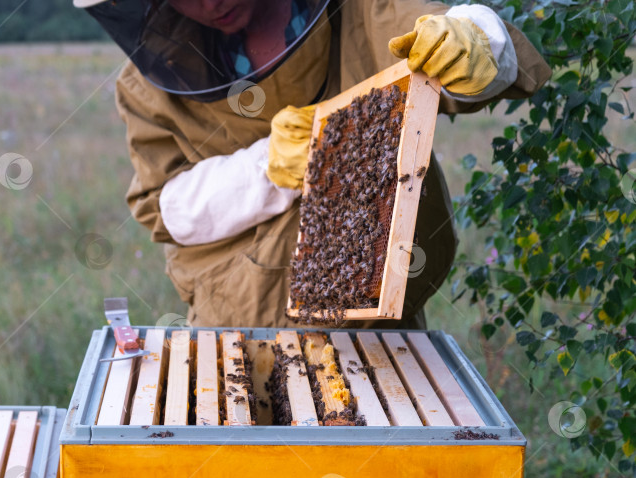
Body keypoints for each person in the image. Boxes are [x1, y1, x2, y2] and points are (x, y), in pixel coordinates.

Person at [75, 0, 551, 328]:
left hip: (376, 328)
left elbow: (437, 37)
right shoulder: (145, 85)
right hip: (234, 329)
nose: (210, 1)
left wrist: (477, 41)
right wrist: (267, 168)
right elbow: (166, 208)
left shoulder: (362, 11)